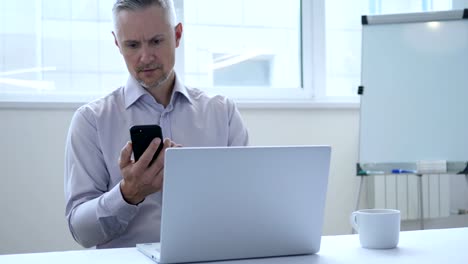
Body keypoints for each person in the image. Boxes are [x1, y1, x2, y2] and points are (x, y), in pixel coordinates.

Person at [64, 0, 248, 249]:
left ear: (178, 35)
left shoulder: (222, 113)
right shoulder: (91, 121)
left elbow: (247, 207)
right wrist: (128, 194)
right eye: (132, 45)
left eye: (156, 41)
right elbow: (81, 231)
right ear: (118, 44)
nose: (145, 56)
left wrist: (204, 189)